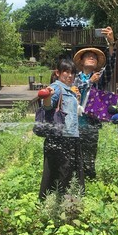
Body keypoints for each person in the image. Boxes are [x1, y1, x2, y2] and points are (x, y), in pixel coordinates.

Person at [73, 26, 117, 178]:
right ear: (82, 61)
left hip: (91, 124)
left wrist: (111, 44)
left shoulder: (99, 78)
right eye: (88, 56)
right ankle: (76, 183)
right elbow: (73, 91)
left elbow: (110, 66)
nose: (92, 58)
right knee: (74, 157)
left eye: (94, 57)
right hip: (74, 124)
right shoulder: (74, 78)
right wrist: (89, 83)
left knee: (90, 158)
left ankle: (90, 183)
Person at [38, 58, 84, 200]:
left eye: (72, 73)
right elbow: (47, 106)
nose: (70, 76)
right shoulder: (56, 87)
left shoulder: (69, 90)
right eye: (66, 72)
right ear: (58, 73)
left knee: (67, 172)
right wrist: (47, 96)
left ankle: (66, 202)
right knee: (62, 173)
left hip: (71, 137)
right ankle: (59, 204)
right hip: (61, 138)